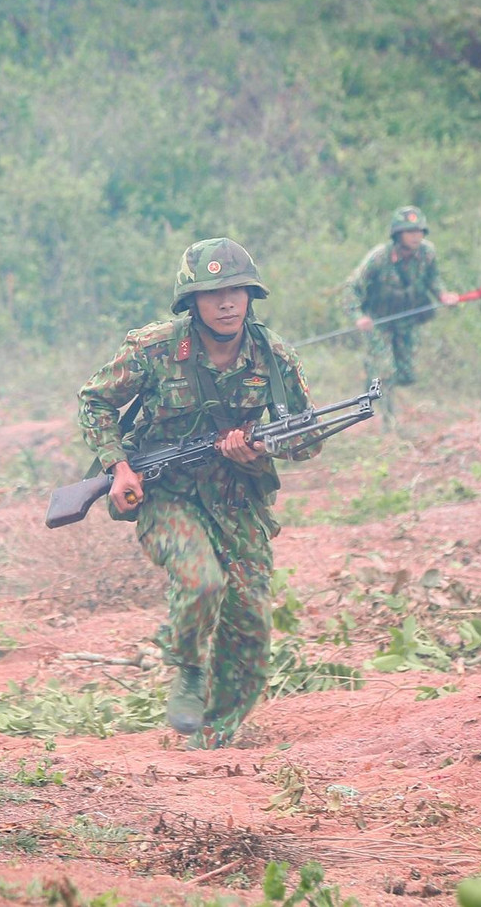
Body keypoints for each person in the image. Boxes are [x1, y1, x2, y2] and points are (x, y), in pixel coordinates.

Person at [77, 238, 320, 749]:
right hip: (166, 495)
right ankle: (189, 668)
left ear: (251, 295)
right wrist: (118, 468)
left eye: (237, 291)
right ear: (191, 302)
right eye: (213, 294)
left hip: (239, 500)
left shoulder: (273, 355)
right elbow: (95, 402)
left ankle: (212, 738)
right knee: (201, 579)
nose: (227, 303)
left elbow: (306, 437)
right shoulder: (154, 348)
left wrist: (258, 451)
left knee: (249, 628)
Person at [342, 205, 460, 387]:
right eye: (410, 232)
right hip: (378, 321)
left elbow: (433, 279)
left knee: (407, 375)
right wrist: (358, 317)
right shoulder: (379, 257)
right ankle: (383, 412)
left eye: (419, 231)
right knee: (385, 370)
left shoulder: (427, 253)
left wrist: (443, 295)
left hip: (407, 320)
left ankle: (373, 383)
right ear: (398, 234)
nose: (416, 236)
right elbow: (353, 286)